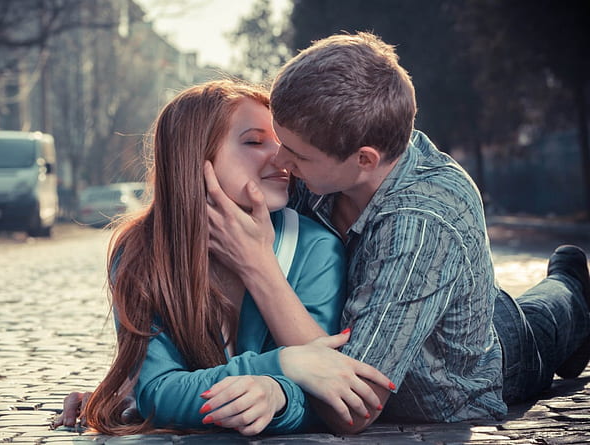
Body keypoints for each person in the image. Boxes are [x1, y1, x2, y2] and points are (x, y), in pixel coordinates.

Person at [203, 31, 590, 434]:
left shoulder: (421, 223)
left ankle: (571, 284)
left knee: (555, 313)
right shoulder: (330, 155)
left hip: (497, 357)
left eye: (297, 155)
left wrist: (257, 266)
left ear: (364, 160)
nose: (281, 161)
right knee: (530, 309)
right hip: (455, 299)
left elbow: (355, 406)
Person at [56, 80, 392, 436]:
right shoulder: (140, 250)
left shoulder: (315, 247)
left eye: (280, 141)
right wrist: (284, 363)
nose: (280, 157)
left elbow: (326, 387)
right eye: (253, 141)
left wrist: (276, 394)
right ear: (193, 155)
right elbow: (157, 391)